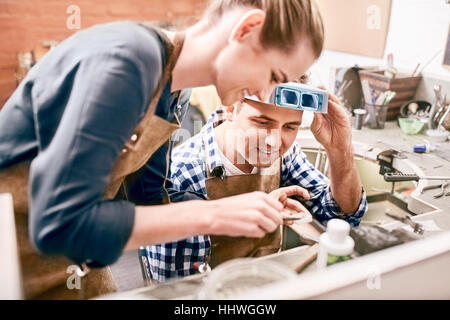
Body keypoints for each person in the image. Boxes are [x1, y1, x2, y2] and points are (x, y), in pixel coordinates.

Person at [0, 0, 324, 299]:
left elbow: (150, 198)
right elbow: (58, 225)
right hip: (13, 258)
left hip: (76, 262)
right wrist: (212, 215)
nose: (266, 92)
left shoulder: (174, 91)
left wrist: (246, 207)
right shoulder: (128, 60)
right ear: (246, 29)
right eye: (273, 76)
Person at [147, 81, 368, 282]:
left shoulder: (286, 155)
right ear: (231, 110)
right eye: (262, 122)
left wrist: (340, 148)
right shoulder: (183, 173)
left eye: (290, 127)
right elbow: (179, 288)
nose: (274, 142)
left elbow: (341, 214)